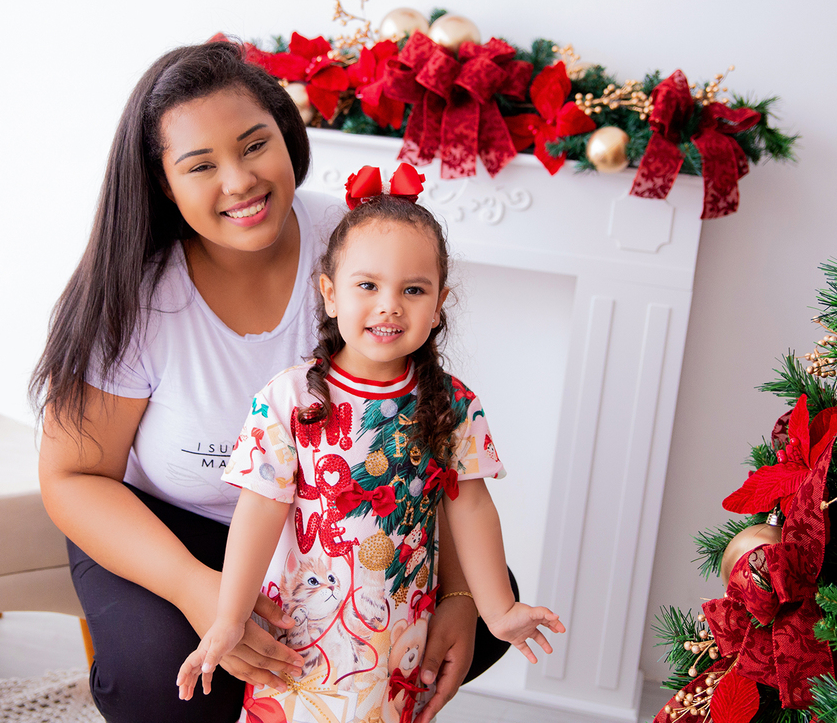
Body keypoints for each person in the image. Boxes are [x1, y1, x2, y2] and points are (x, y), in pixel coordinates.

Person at [32, 41, 513, 723]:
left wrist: (461, 597)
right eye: (201, 165)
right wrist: (199, 588)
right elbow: (72, 477)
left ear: (288, 137)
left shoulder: (354, 243)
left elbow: (425, 425)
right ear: (163, 183)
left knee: (488, 614)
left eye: (255, 145)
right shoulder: (134, 293)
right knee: (169, 684)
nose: (239, 181)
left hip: (333, 528)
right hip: (178, 529)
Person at [175, 166, 565, 723]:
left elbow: (472, 506)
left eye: (413, 290)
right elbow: (259, 510)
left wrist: (499, 612)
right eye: (368, 286)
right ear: (330, 294)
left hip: (398, 629)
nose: (390, 305)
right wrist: (230, 617)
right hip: (302, 628)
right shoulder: (288, 400)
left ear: (438, 305)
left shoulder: (454, 405)